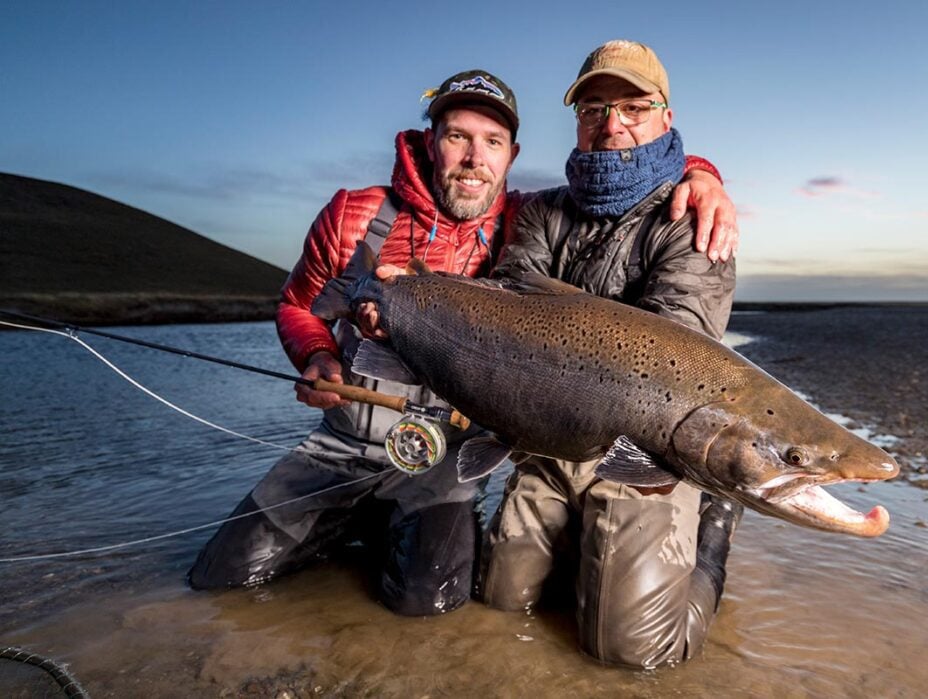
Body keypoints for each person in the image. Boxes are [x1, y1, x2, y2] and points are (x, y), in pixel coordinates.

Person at [188, 67, 738, 617]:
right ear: (430, 142)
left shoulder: (523, 218)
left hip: (441, 457)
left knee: (425, 606)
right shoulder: (353, 214)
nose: (476, 158)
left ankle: (384, 535)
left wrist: (701, 175)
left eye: (492, 142)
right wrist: (317, 356)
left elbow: (624, 166)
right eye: (458, 137)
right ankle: (360, 529)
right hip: (340, 448)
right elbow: (297, 304)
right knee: (218, 581)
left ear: (511, 154)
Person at [478, 40, 744, 668]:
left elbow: (663, 357)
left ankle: (714, 527)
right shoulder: (542, 211)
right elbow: (512, 307)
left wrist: (702, 175)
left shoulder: (693, 218)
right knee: (497, 604)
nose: (612, 124)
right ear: (577, 120)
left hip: (646, 450)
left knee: (629, 652)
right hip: (549, 439)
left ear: (665, 119)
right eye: (594, 108)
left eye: (634, 106)